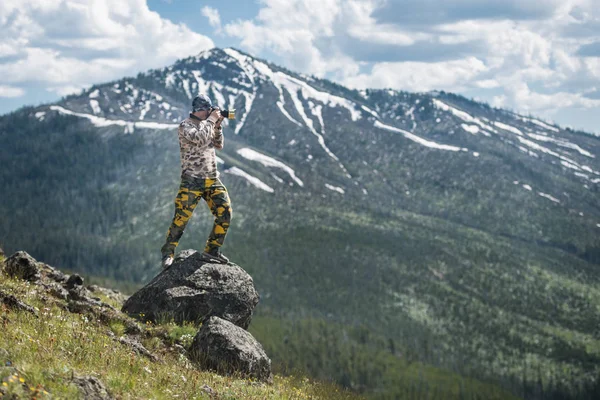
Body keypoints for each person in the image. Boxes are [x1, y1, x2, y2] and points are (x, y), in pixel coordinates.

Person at [160, 94, 233, 269]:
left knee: (225, 213)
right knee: (181, 218)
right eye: (207, 110)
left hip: (211, 178)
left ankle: (212, 249)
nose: (210, 112)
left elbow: (218, 144)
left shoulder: (207, 124)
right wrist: (211, 120)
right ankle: (168, 253)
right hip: (192, 179)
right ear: (200, 110)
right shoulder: (185, 125)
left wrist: (218, 124)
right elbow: (200, 139)